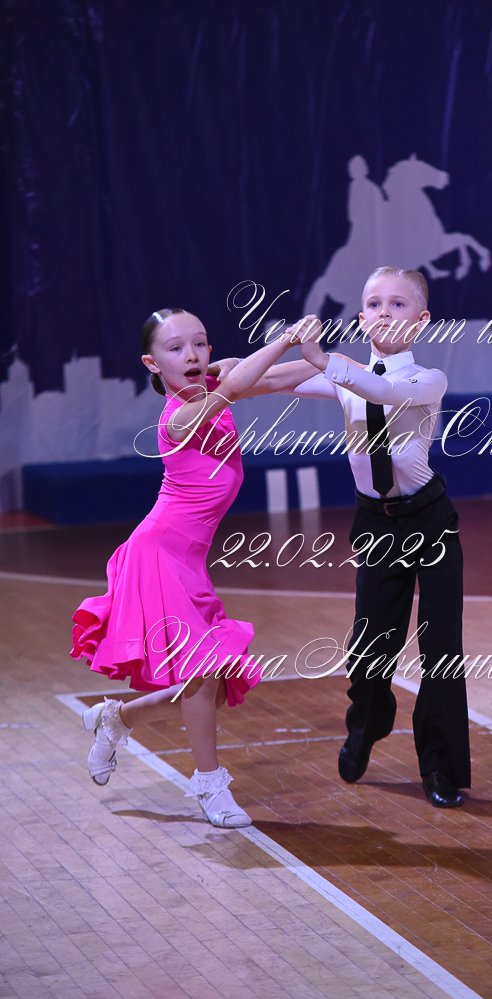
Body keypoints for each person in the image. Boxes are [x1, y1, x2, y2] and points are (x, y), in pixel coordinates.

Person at [71, 308, 309, 828]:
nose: (193, 354)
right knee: (204, 674)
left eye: (199, 343)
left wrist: (351, 370)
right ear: (152, 364)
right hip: (157, 557)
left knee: (211, 687)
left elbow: (276, 379)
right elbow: (242, 382)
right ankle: (209, 785)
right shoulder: (178, 417)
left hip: (188, 562)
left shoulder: (216, 385)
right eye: (176, 348)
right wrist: (288, 338)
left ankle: (116, 718)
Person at [293, 266, 471, 807]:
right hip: (375, 525)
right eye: (374, 304)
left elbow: (382, 388)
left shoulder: (426, 379)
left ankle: (439, 766)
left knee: (442, 646)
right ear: (361, 316)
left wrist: (322, 358)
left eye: (398, 304)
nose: (384, 313)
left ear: (421, 320)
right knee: (370, 644)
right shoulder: (343, 374)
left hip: (430, 520)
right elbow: (271, 379)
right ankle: (367, 724)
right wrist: (217, 373)